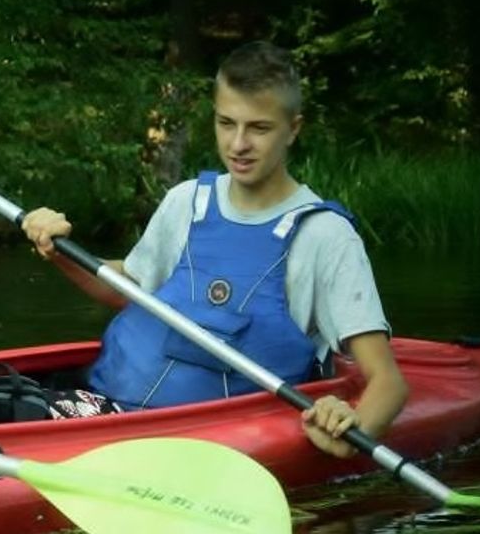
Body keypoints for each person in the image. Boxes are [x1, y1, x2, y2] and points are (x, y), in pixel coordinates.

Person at [21, 41, 408, 458]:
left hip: (204, 443)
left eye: (259, 128)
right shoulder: (186, 200)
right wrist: (60, 251)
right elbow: (127, 287)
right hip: (101, 407)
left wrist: (350, 430)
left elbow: (387, 383)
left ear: (294, 128)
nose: (238, 144)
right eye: (226, 123)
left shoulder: (325, 237)